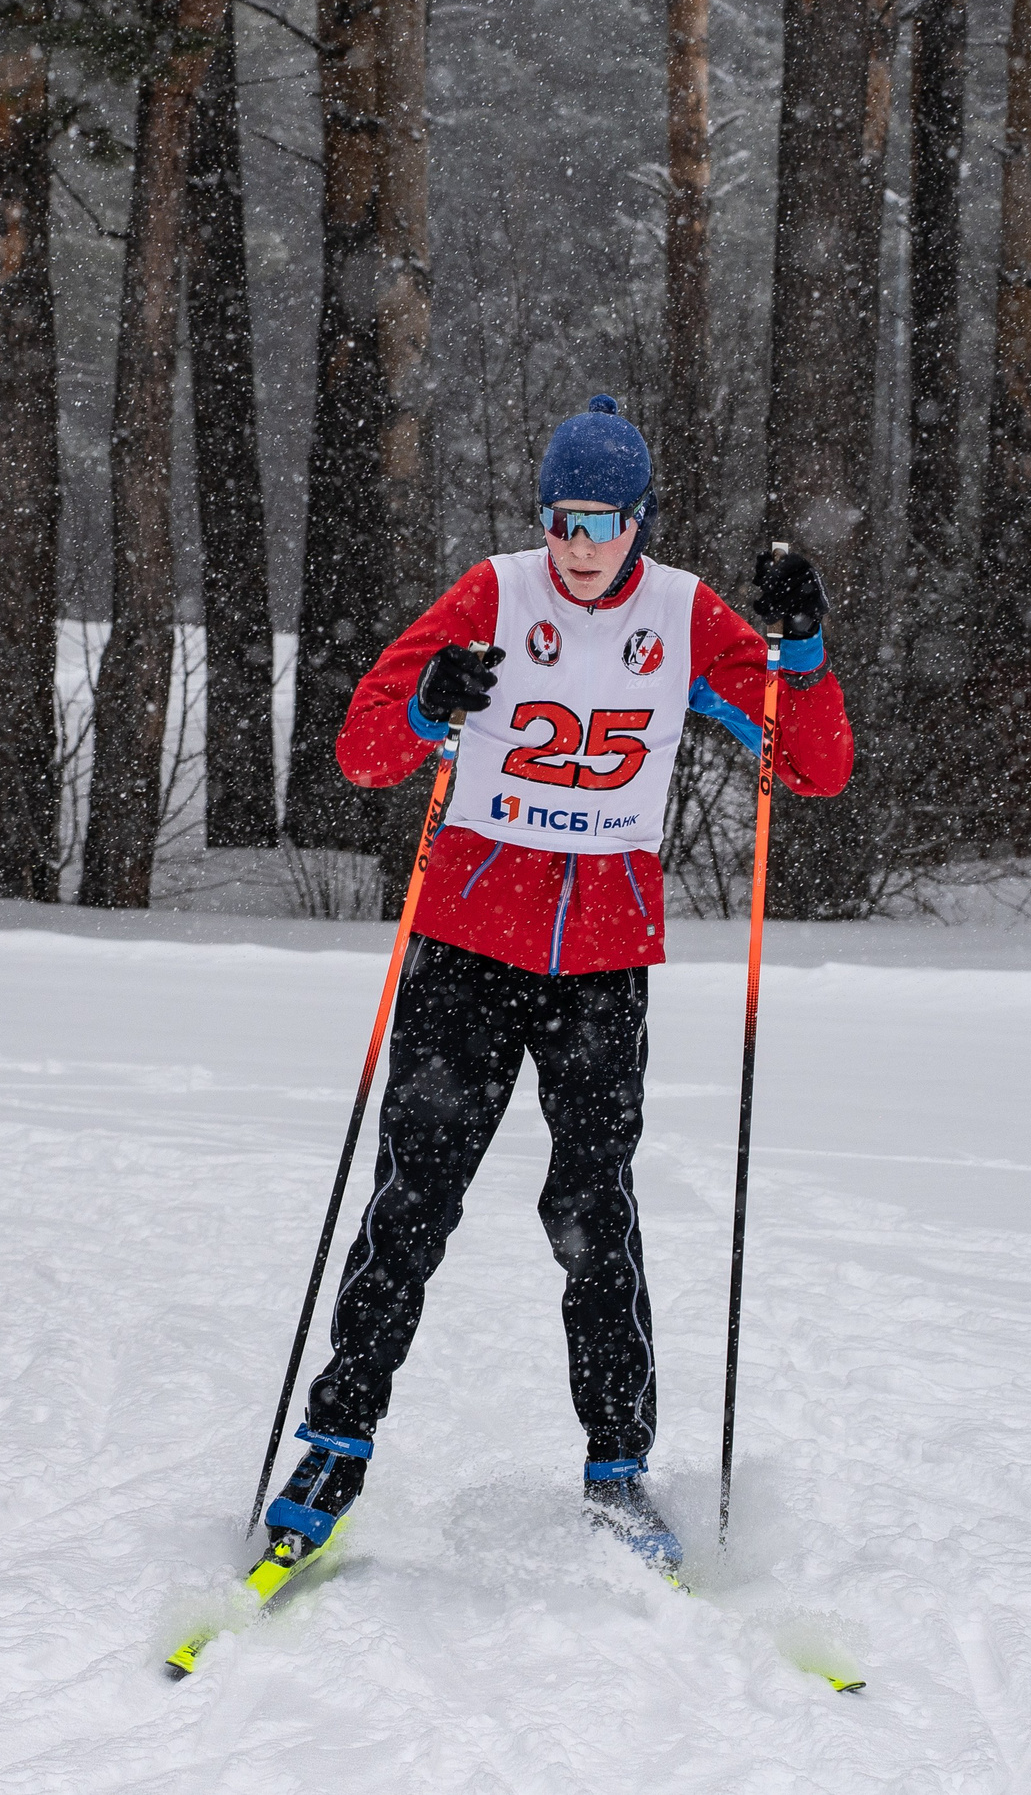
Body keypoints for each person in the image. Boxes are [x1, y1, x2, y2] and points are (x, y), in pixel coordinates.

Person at [262, 396, 855, 1571]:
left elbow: (812, 765)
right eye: (560, 520)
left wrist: (801, 653)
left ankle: (618, 1466)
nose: (577, 547)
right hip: (468, 948)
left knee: (592, 1216)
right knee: (410, 1205)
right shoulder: (494, 592)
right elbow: (362, 747)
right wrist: (432, 704)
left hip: (600, 966)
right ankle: (334, 1440)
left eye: (601, 523)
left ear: (638, 521)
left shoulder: (683, 617)